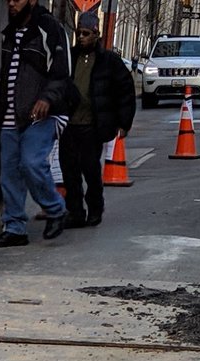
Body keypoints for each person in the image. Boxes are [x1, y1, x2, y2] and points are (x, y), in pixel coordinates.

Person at [0, 0, 76, 248]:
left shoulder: (50, 28)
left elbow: (61, 72)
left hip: (45, 113)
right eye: (9, 0)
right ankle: (15, 228)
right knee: (9, 173)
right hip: (11, 115)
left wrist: (47, 98)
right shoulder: (10, 33)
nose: (11, 4)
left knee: (31, 162)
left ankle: (56, 209)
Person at [60, 12, 135, 229]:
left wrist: (123, 123)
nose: (81, 37)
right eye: (79, 33)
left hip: (92, 125)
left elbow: (125, 92)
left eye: (86, 34)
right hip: (69, 124)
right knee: (69, 171)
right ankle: (75, 211)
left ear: (96, 34)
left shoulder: (109, 61)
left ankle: (95, 208)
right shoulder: (70, 57)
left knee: (90, 169)